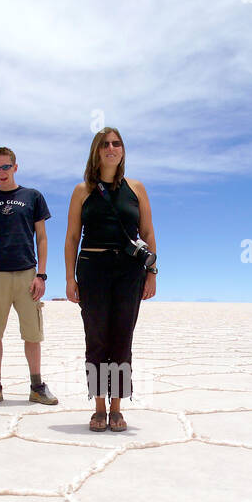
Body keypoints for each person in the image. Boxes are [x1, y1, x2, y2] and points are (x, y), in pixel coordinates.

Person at [64, 127, 157, 432]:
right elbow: (72, 238)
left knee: (122, 339)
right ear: (96, 151)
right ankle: (99, 406)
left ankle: (117, 407)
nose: (111, 148)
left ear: (122, 151)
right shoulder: (82, 191)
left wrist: (151, 274)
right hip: (93, 268)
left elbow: (147, 234)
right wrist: (70, 279)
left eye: (116, 144)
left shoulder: (137, 188)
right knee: (96, 339)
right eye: (105, 144)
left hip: (129, 271)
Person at [0, 147, 58, 406]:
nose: (2, 172)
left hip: (27, 273)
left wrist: (41, 274)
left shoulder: (32, 196)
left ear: (15, 167)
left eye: (6, 167)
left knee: (33, 333)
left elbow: (41, 236)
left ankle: (37, 386)